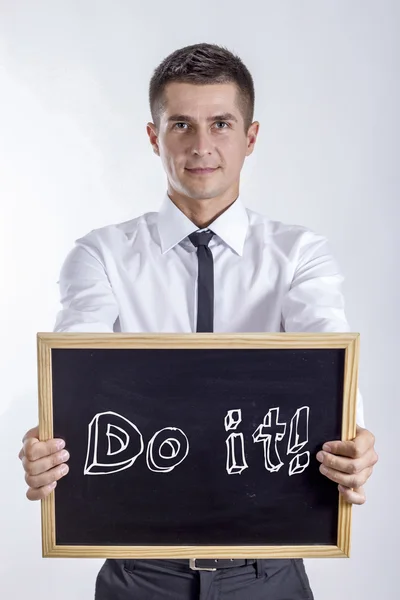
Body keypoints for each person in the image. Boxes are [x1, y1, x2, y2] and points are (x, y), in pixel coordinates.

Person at [18, 42, 378, 600]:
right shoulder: (101, 256)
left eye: (221, 124)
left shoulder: (299, 255)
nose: (201, 145)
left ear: (250, 137)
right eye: (181, 124)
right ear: (153, 136)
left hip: (268, 573)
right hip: (141, 575)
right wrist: (51, 439)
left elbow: (328, 355)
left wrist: (355, 439)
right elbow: (75, 372)